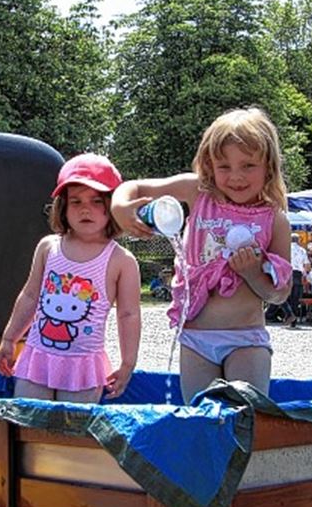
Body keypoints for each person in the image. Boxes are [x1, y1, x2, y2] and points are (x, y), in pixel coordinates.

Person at [111, 107, 291, 403]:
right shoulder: (198, 193)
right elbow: (135, 186)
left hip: (245, 339)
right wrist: (120, 207)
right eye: (224, 166)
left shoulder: (275, 219)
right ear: (209, 165)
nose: (236, 177)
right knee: (198, 422)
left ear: (268, 166)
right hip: (196, 339)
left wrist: (252, 273)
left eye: (248, 165)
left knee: (244, 420)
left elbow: (280, 294)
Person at [0, 153, 141, 402]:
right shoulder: (48, 247)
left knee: (74, 431)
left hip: (83, 365)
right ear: (63, 207)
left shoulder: (121, 260)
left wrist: (128, 363)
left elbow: (128, 314)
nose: (85, 208)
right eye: (76, 201)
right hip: (38, 358)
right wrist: (10, 338)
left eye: (97, 201)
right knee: (27, 422)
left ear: (113, 205)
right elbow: (30, 295)